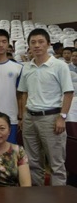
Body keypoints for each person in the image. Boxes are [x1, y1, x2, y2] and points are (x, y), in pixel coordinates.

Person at [18, 28, 73, 186]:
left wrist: (62, 117)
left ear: (48, 44)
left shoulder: (59, 66)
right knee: (33, 162)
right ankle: (37, 201)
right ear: (29, 46)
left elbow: (68, 93)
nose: (37, 45)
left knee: (56, 163)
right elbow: (23, 94)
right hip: (30, 118)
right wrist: (22, 116)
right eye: (33, 42)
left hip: (51, 118)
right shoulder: (27, 67)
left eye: (41, 42)